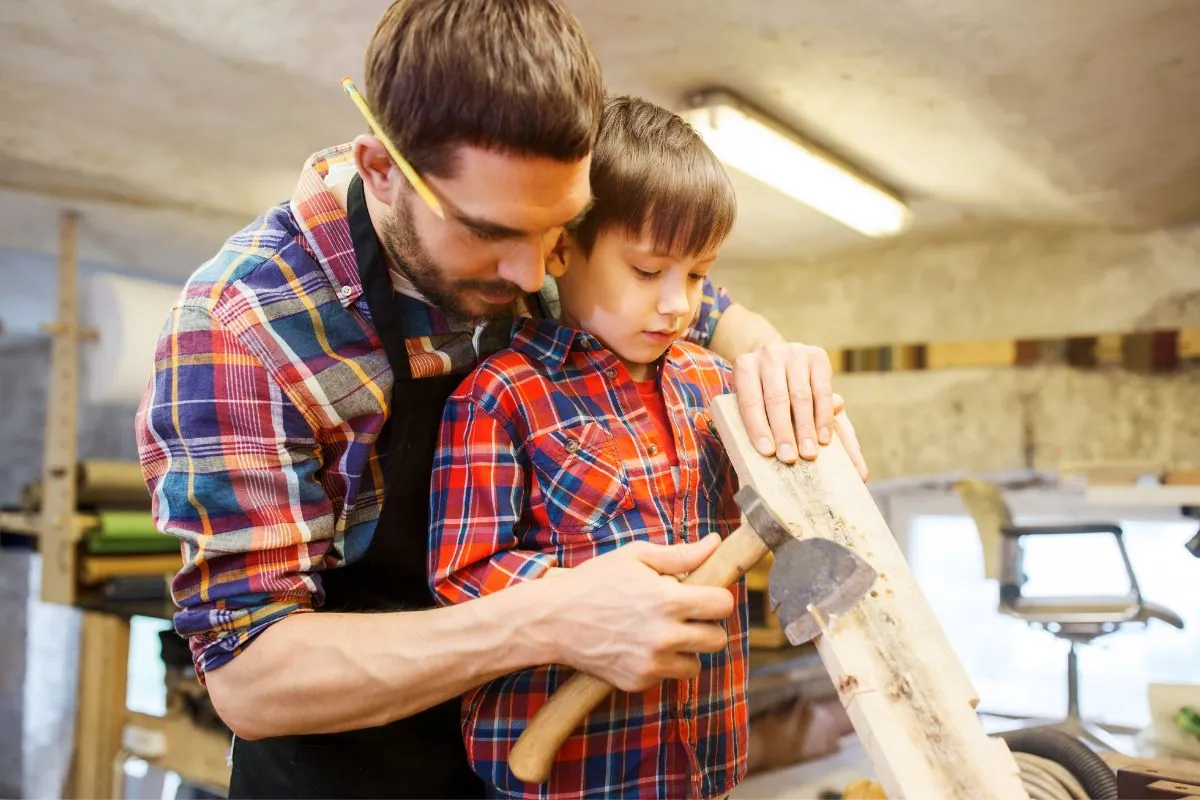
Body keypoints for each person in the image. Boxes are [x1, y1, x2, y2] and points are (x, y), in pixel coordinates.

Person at [134, 0, 867, 796]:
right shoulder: (243, 330)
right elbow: (250, 680)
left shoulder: (548, 235)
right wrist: (547, 618)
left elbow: (715, 313)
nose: (534, 276)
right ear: (381, 169)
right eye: (493, 234)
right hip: (348, 771)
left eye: (562, 228)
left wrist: (775, 365)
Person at [429, 95, 749, 799]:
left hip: (704, 754)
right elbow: (463, 579)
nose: (680, 304)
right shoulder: (502, 394)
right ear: (562, 248)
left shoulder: (713, 384)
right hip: (568, 769)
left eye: (697, 275)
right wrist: (579, 604)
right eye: (647, 271)